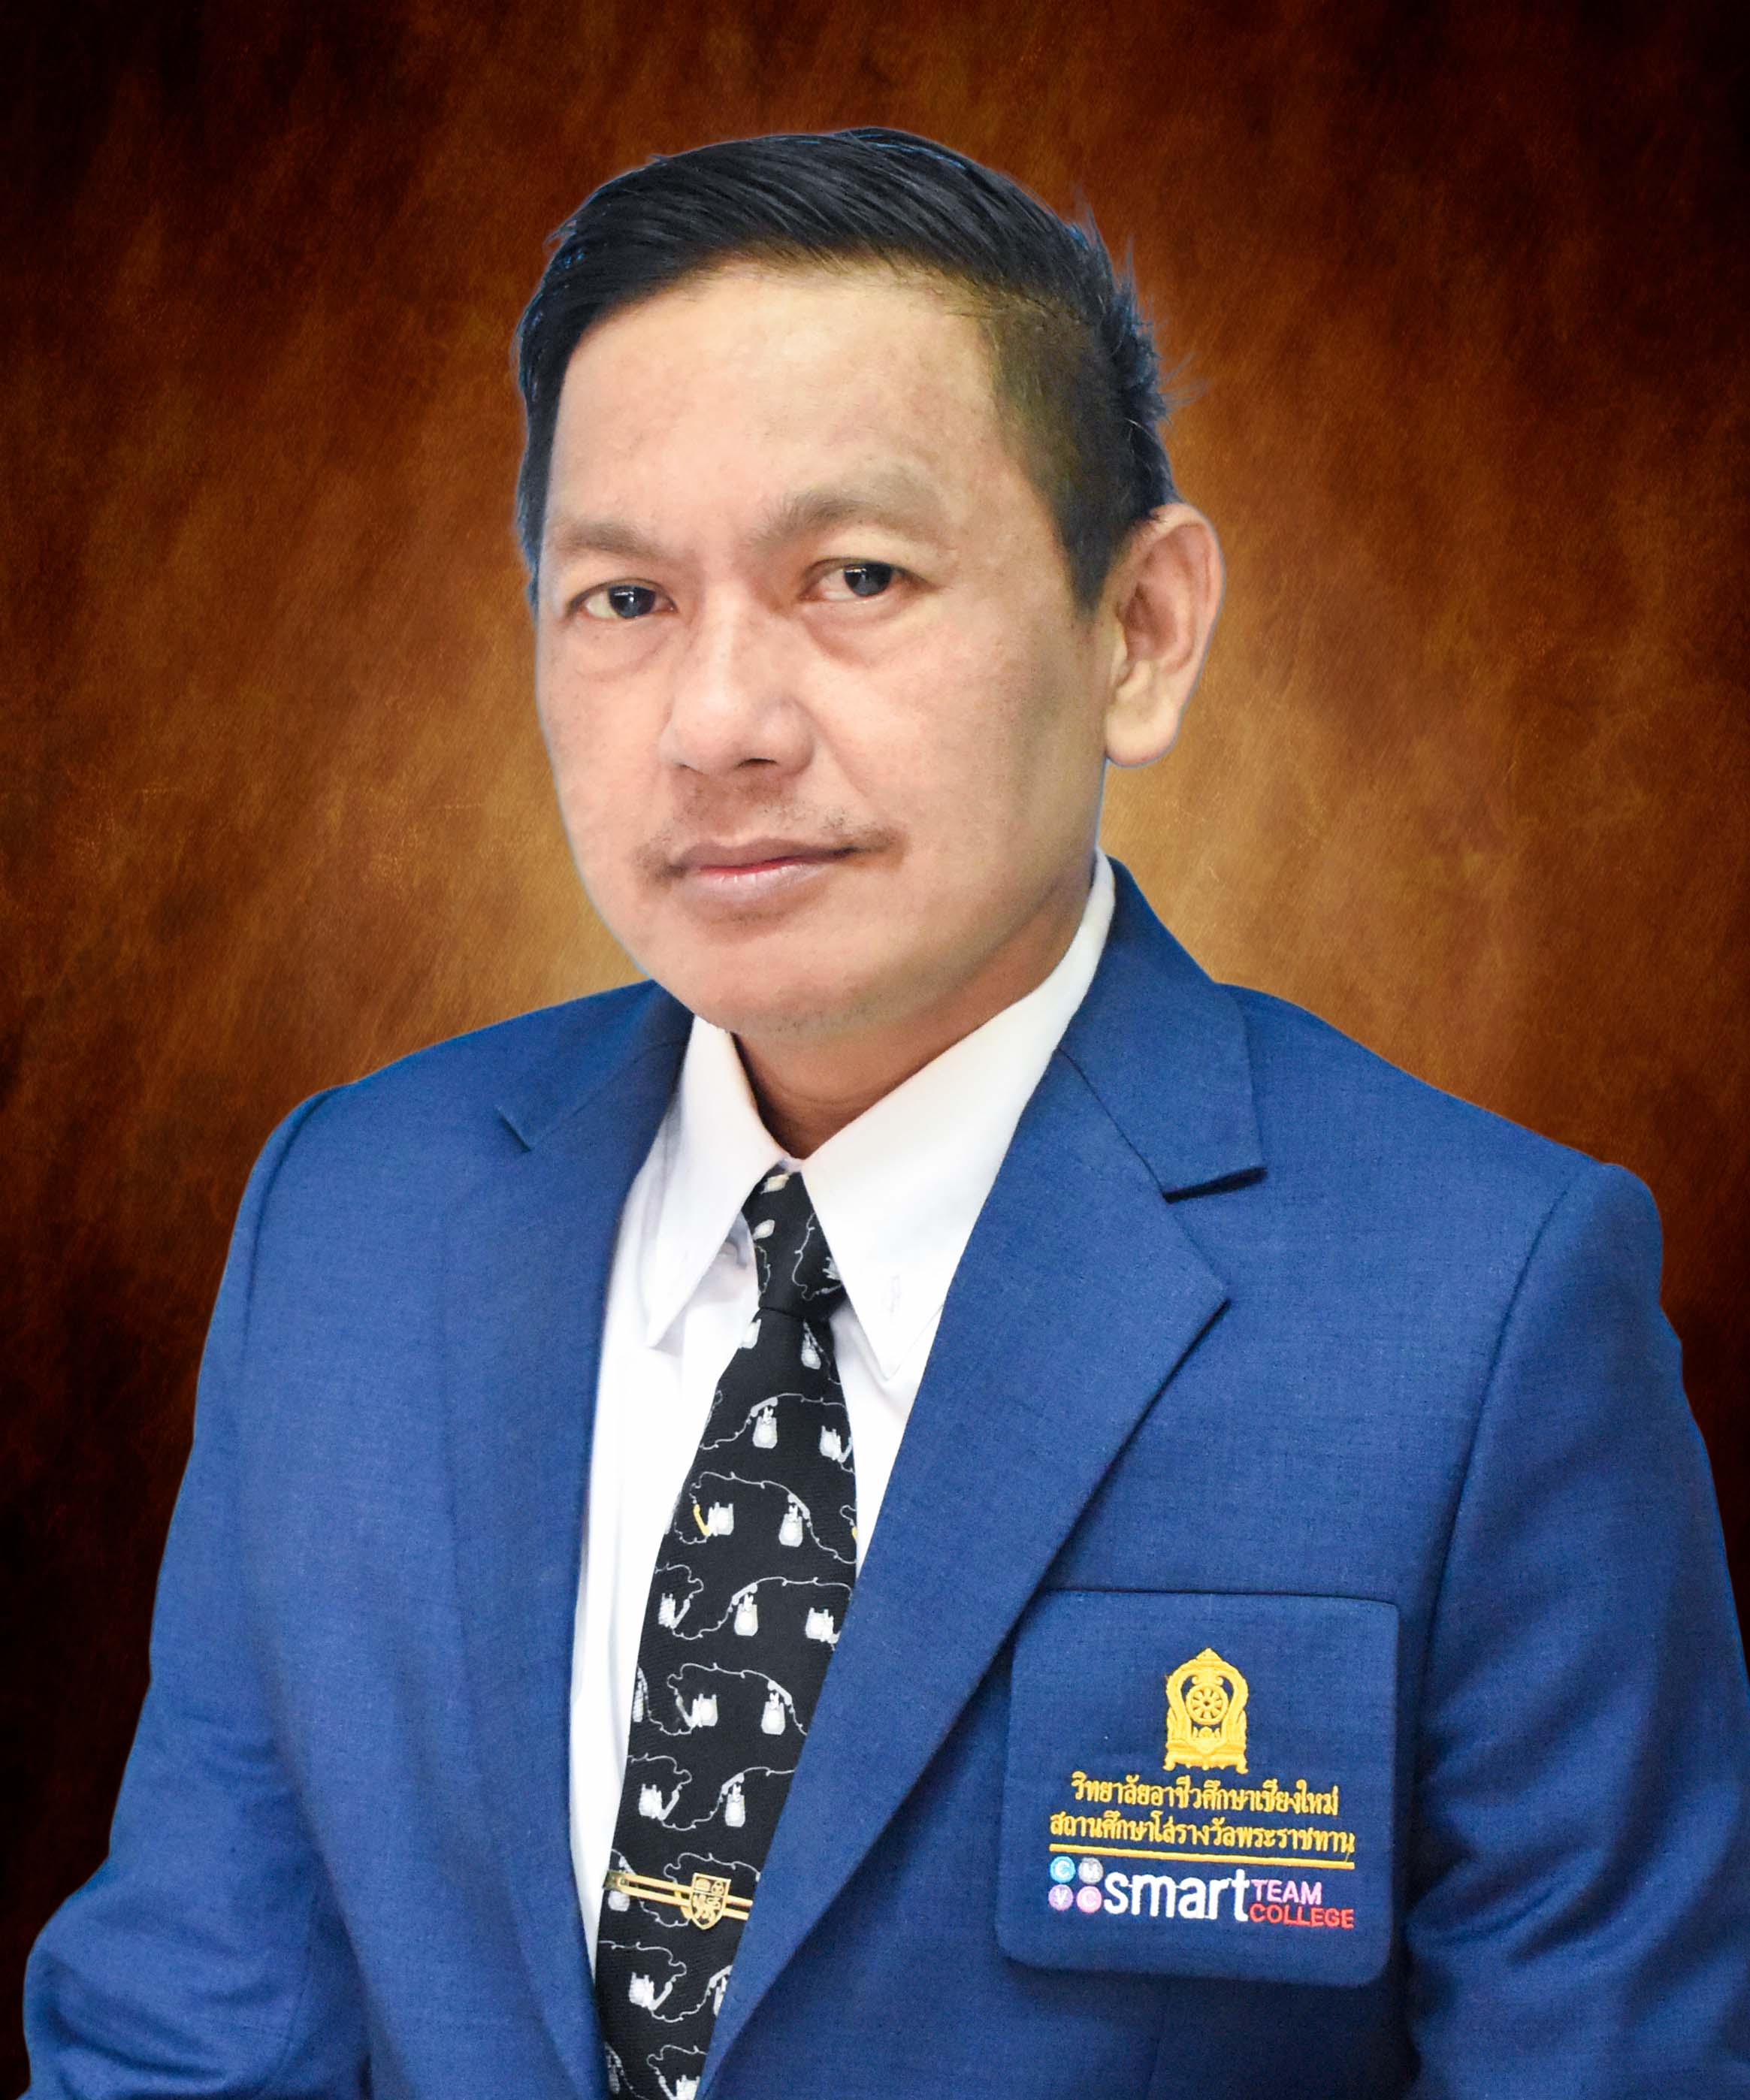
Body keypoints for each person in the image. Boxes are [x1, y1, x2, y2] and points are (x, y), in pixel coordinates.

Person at [20, 127, 1750, 2100]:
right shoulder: (350, 1219)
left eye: (855, 576)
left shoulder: (1481, 1309)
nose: (718, 722)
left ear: (1139, 628)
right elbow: (186, 2039)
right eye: (622, 597)